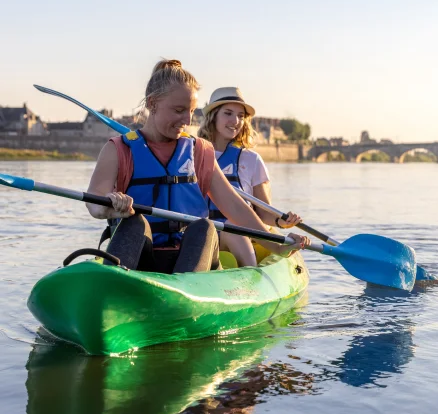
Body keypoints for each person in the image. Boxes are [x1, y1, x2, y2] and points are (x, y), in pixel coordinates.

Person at [86, 60, 308, 273]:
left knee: (204, 227)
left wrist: (278, 245)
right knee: (133, 222)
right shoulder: (118, 150)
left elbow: (237, 209)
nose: (187, 119)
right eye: (179, 110)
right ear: (152, 104)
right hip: (141, 257)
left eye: (192, 111)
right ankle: (114, 282)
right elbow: (95, 203)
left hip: (191, 259)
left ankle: (186, 292)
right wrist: (112, 206)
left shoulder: (200, 152)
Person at [198, 87, 302, 267]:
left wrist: (280, 221)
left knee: (233, 226)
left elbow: (262, 213)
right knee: (227, 227)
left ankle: (252, 277)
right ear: (213, 116)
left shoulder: (251, 160)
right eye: (228, 113)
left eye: (240, 116)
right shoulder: (193, 155)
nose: (235, 121)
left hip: (240, 236)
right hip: (204, 237)